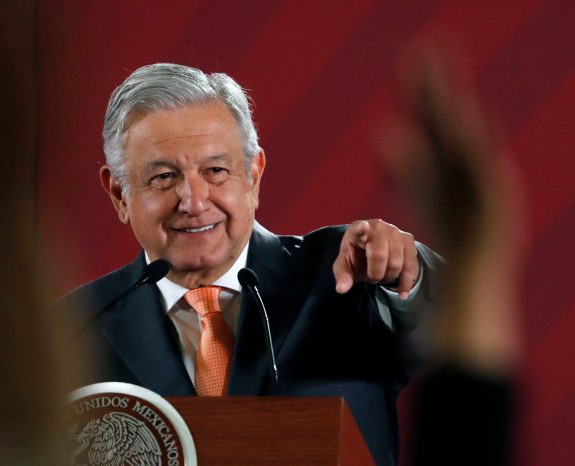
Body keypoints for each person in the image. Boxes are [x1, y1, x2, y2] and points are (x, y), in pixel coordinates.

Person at [61, 63, 441, 465]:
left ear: (253, 176)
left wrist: (408, 271)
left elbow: (462, 332)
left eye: (215, 171)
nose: (193, 202)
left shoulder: (343, 274)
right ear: (119, 193)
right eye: (163, 178)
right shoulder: (71, 327)